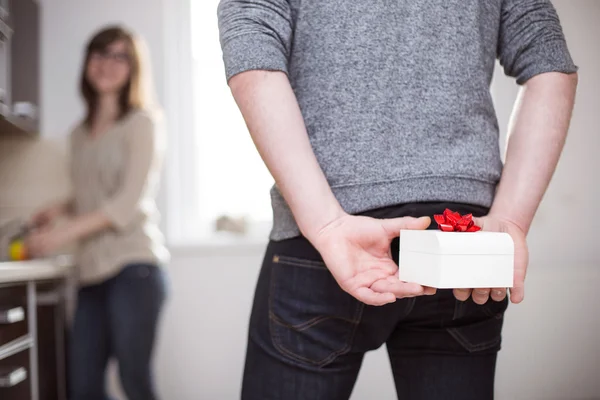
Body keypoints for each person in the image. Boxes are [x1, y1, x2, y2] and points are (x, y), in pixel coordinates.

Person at [217, 0, 578, 399]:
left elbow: (253, 52)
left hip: (331, 232)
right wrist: (510, 219)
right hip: (462, 234)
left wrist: (326, 222)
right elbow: (551, 65)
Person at [26, 26, 169, 400]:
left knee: (134, 381)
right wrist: (59, 209)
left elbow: (127, 202)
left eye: (119, 56)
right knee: (83, 386)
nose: (107, 64)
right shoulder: (78, 134)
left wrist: (60, 234)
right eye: (99, 54)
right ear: (88, 61)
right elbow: (92, 193)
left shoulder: (143, 123)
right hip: (90, 273)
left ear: (133, 67)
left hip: (134, 268)